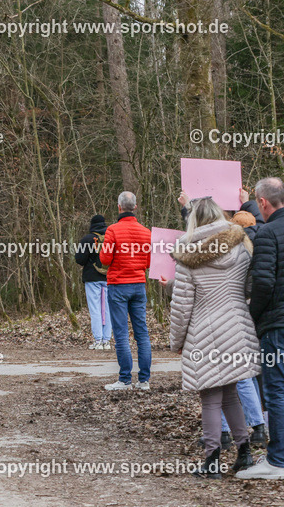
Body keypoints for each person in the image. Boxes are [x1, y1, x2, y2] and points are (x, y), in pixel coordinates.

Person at [169, 198, 260, 478]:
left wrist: (176, 341)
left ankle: (212, 461)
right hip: (237, 326)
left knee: (210, 397)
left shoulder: (187, 255)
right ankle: (244, 453)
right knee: (231, 393)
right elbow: (249, 287)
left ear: (194, 220)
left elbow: (182, 305)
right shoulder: (241, 246)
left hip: (203, 332)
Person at [242, 177, 284, 479]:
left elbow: (264, 283)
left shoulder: (268, 234)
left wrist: (253, 316)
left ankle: (278, 459)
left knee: (276, 390)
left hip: (277, 324)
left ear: (263, 203)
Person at [98, 191, 152, 391]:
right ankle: (144, 380)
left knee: (121, 334)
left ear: (119, 207)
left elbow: (105, 259)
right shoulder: (146, 233)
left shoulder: (112, 230)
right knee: (142, 333)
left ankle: (125, 379)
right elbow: (148, 262)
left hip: (118, 285)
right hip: (138, 284)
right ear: (135, 207)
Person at [75, 215, 112, 350]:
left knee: (95, 309)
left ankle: (98, 340)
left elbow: (79, 260)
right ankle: (107, 341)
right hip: (109, 278)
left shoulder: (87, 239)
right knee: (108, 309)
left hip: (91, 278)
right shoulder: (111, 238)